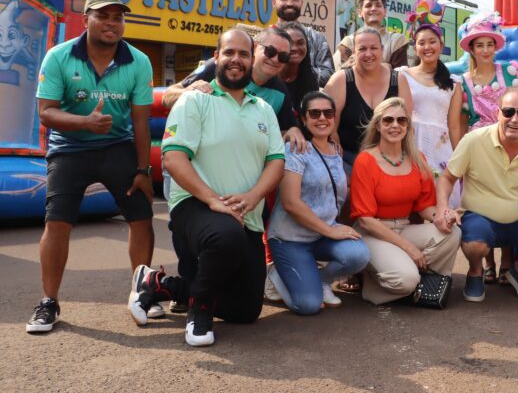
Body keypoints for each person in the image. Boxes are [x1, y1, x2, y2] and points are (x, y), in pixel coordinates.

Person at [128, 28, 285, 347]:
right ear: (216, 58)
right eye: (229, 53)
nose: (236, 60)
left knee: (245, 310)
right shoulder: (195, 101)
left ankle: (160, 284)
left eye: (243, 54)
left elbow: (276, 162)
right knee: (226, 235)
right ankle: (198, 315)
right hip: (197, 206)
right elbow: (173, 158)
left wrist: (254, 197)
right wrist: (214, 201)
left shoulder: (263, 110)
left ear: (251, 59)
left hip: (247, 215)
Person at [26, 0, 155, 334]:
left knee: (142, 216)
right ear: (86, 20)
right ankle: (49, 302)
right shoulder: (59, 56)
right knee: (57, 222)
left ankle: (141, 293)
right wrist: (85, 122)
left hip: (117, 146)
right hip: (69, 147)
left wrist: (143, 171)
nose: (111, 24)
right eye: (103, 16)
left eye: (118, 17)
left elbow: (141, 121)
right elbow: (46, 113)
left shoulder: (138, 61)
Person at [434, 87, 518, 303]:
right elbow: (446, 178)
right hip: (480, 219)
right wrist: (443, 206)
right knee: (476, 244)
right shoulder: (474, 140)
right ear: (497, 113)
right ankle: (475, 272)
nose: (515, 119)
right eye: (508, 112)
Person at [349, 97, 461, 305]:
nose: (395, 125)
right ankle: (377, 284)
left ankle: (425, 282)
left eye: (402, 121)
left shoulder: (418, 159)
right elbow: (365, 219)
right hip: (374, 231)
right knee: (406, 280)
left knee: (452, 233)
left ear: (408, 126)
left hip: (404, 226)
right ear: (378, 126)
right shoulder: (365, 160)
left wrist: (444, 216)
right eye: (388, 120)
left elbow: (425, 207)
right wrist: (409, 249)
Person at [266, 92, 370, 313]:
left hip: (321, 235)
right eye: (314, 113)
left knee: (358, 255)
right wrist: (330, 231)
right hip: (290, 238)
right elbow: (291, 203)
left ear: (334, 117)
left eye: (328, 113)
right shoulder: (296, 149)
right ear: (304, 119)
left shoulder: (336, 150)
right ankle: (276, 274)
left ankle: (321, 280)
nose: (322, 118)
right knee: (308, 306)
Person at [456, 11, 518, 284]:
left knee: (507, 195)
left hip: (509, 143)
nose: (484, 50)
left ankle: (507, 260)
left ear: (496, 46)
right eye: (478, 44)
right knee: (480, 199)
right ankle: (487, 262)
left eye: (489, 44)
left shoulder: (510, 72)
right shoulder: (461, 82)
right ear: (470, 47)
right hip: (477, 146)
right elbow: (460, 121)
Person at [162, 25, 304, 148]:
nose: (275, 59)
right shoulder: (219, 66)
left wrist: (293, 130)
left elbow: (286, 128)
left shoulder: (280, 93)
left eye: (283, 57)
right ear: (255, 48)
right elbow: (167, 96)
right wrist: (190, 93)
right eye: (270, 51)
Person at [399, 0, 464, 208]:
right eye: (421, 43)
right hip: (411, 140)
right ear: (415, 47)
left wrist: (458, 159)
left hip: (441, 145)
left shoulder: (454, 83)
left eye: (432, 41)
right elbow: (403, 116)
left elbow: (454, 125)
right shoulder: (402, 75)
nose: (427, 47)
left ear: (441, 45)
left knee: (442, 198)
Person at [325, 26, 412, 170]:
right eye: (362, 49)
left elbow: (407, 126)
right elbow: (330, 131)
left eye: (374, 48)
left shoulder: (399, 80)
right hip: (346, 161)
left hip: (388, 162)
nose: (368, 54)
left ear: (382, 50)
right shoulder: (340, 80)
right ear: (354, 51)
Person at [272, 0, 334, 86]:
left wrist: (298, 67)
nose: (290, 3)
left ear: (301, 3)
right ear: (274, 3)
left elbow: (329, 76)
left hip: (307, 101)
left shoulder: (317, 38)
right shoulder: (265, 37)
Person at [336, 0, 409, 70]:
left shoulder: (397, 41)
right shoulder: (348, 42)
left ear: (384, 12)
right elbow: (340, 73)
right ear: (360, 13)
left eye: (378, 5)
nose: (373, 9)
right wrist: (387, 66)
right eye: (368, 5)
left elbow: (399, 76)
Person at [278, 22, 320, 116]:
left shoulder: (310, 80)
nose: (294, 48)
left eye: (300, 43)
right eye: (289, 43)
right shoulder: (270, 77)